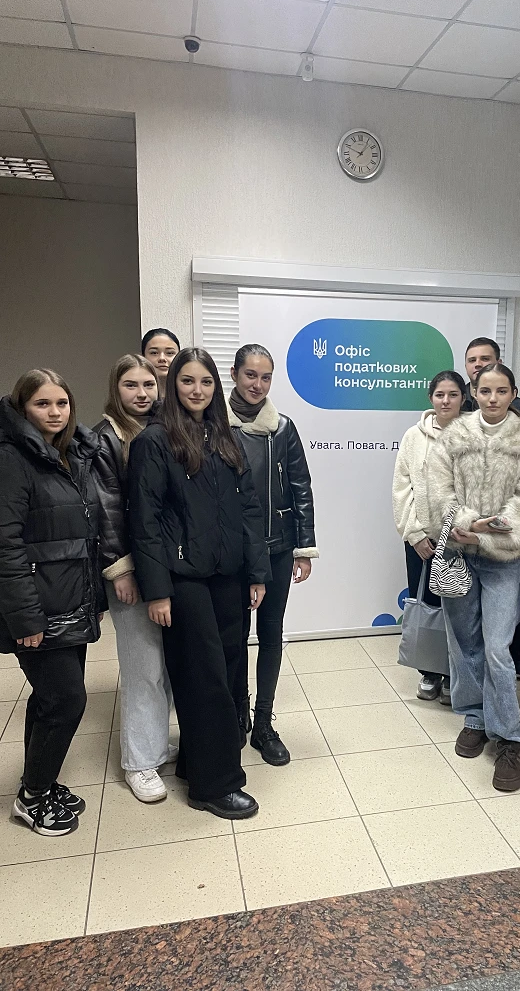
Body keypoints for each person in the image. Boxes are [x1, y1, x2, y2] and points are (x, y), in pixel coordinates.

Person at [128, 348, 271, 819]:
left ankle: (195, 762)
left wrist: (256, 573)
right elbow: (144, 522)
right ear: (173, 385)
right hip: (183, 578)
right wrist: (157, 590)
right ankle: (214, 786)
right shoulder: (155, 440)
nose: (197, 390)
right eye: (187, 381)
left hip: (228, 575)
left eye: (206, 382)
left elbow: (249, 511)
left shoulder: (225, 438)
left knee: (228, 672)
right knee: (202, 676)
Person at [427, 363, 520, 792]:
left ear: (513, 393)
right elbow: (437, 491)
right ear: (474, 393)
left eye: (501, 391)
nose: (493, 398)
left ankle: (510, 740)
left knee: (498, 646)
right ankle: (475, 717)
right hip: (457, 554)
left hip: (502, 559)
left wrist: (487, 530)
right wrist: (464, 522)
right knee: (464, 641)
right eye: (485, 391)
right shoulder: (454, 436)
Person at [0, 370, 105, 836]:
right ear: (22, 408)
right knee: (67, 700)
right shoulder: (12, 459)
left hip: (70, 601)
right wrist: (25, 618)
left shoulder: (70, 455)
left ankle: (37, 783)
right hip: (38, 609)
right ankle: (32, 798)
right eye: (43, 404)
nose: (55, 412)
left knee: (50, 698)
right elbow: (5, 545)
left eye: (62, 403)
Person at [227, 343, 318, 765]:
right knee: (232, 637)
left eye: (266, 377)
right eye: (251, 375)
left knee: (270, 634)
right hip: (230, 552)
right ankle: (236, 714)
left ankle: (263, 722)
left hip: (278, 548)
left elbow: (301, 489)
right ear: (234, 374)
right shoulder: (213, 424)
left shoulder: (283, 428)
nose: (258, 385)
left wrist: (303, 548)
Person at [94, 355, 174, 803]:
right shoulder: (105, 438)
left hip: (163, 566)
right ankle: (139, 763)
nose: (142, 393)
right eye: (131, 385)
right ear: (116, 388)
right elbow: (106, 510)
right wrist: (121, 569)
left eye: (148, 384)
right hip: (128, 569)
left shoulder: (163, 429)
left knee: (164, 665)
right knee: (142, 668)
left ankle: (155, 744)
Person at [462, 337, 520, 679]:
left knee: (499, 636)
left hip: (505, 543)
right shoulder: (459, 417)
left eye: (485, 359)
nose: (493, 398)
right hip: (463, 541)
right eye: (472, 360)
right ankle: (472, 704)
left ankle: (513, 660)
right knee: (467, 636)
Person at [392, 370, 466, 703]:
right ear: (430, 398)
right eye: (440, 395)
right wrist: (415, 534)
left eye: (453, 394)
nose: (446, 401)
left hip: (461, 541)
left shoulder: (475, 434)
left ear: (463, 397)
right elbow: (402, 488)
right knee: (426, 606)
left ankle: (453, 673)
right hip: (422, 541)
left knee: (459, 610)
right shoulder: (414, 436)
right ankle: (429, 671)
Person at [463, 337, 520, 421]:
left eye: (485, 359)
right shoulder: (455, 402)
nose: (478, 364)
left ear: (499, 363)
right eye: (472, 360)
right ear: (466, 366)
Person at [141, 328, 180, 398]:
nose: (162, 358)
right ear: (143, 357)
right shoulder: (137, 395)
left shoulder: (188, 394)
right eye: (154, 353)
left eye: (169, 353)